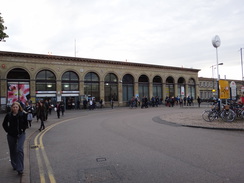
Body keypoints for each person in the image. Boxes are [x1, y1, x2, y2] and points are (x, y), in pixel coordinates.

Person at [2, 102, 28, 175]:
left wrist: (23, 129)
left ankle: (20, 168)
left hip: (21, 134)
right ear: (12, 108)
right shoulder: (9, 115)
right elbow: (4, 124)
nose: (15, 108)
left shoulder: (22, 114)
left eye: (16, 107)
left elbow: (26, 123)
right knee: (12, 150)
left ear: (19, 108)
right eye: (14, 107)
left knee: (19, 149)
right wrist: (8, 131)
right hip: (11, 135)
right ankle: (14, 165)